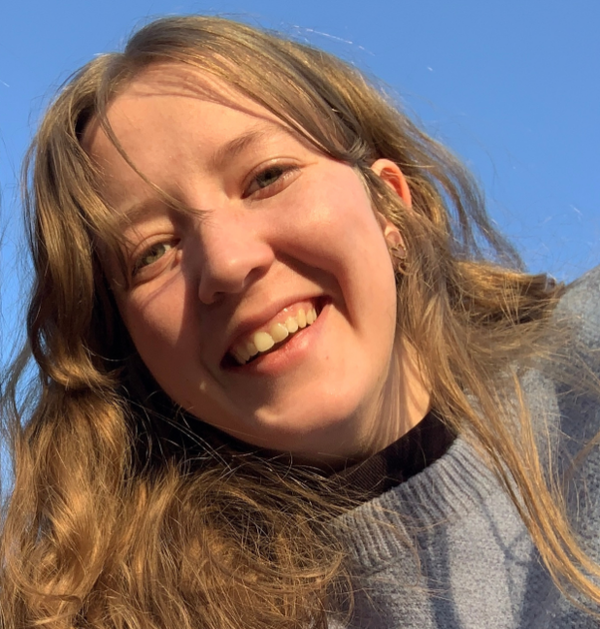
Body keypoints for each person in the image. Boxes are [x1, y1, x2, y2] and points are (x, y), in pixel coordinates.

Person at [1, 15, 599, 629]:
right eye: (152, 252)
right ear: (128, 350)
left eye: (267, 178)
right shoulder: (105, 607)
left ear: (390, 207)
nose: (227, 263)